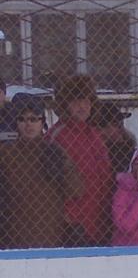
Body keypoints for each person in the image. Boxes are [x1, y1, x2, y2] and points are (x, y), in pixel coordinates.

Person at [0, 93, 83, 248]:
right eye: (22, 119)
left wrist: (61, 170)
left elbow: (76, 190)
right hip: (12, 235)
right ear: (16, 123)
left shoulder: (55, 152)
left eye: (33, 119)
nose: (28, 124)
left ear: (42, 122)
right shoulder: (5, 153)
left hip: (50, 233)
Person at [47, 75, 113, 246]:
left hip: (99, 218)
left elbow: (105, 178)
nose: (82, 106)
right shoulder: (58, 136)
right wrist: (65, 217)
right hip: (71, 224)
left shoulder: (94, 135)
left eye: (85, 100)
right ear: (65, 105)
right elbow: (50, 183)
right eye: (75, 101)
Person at [95, 102, 136, 177]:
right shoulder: (96, 149)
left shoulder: (128, 148)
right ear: (101, 129)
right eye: (115, 124)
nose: (121, 128)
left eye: (121, 123)